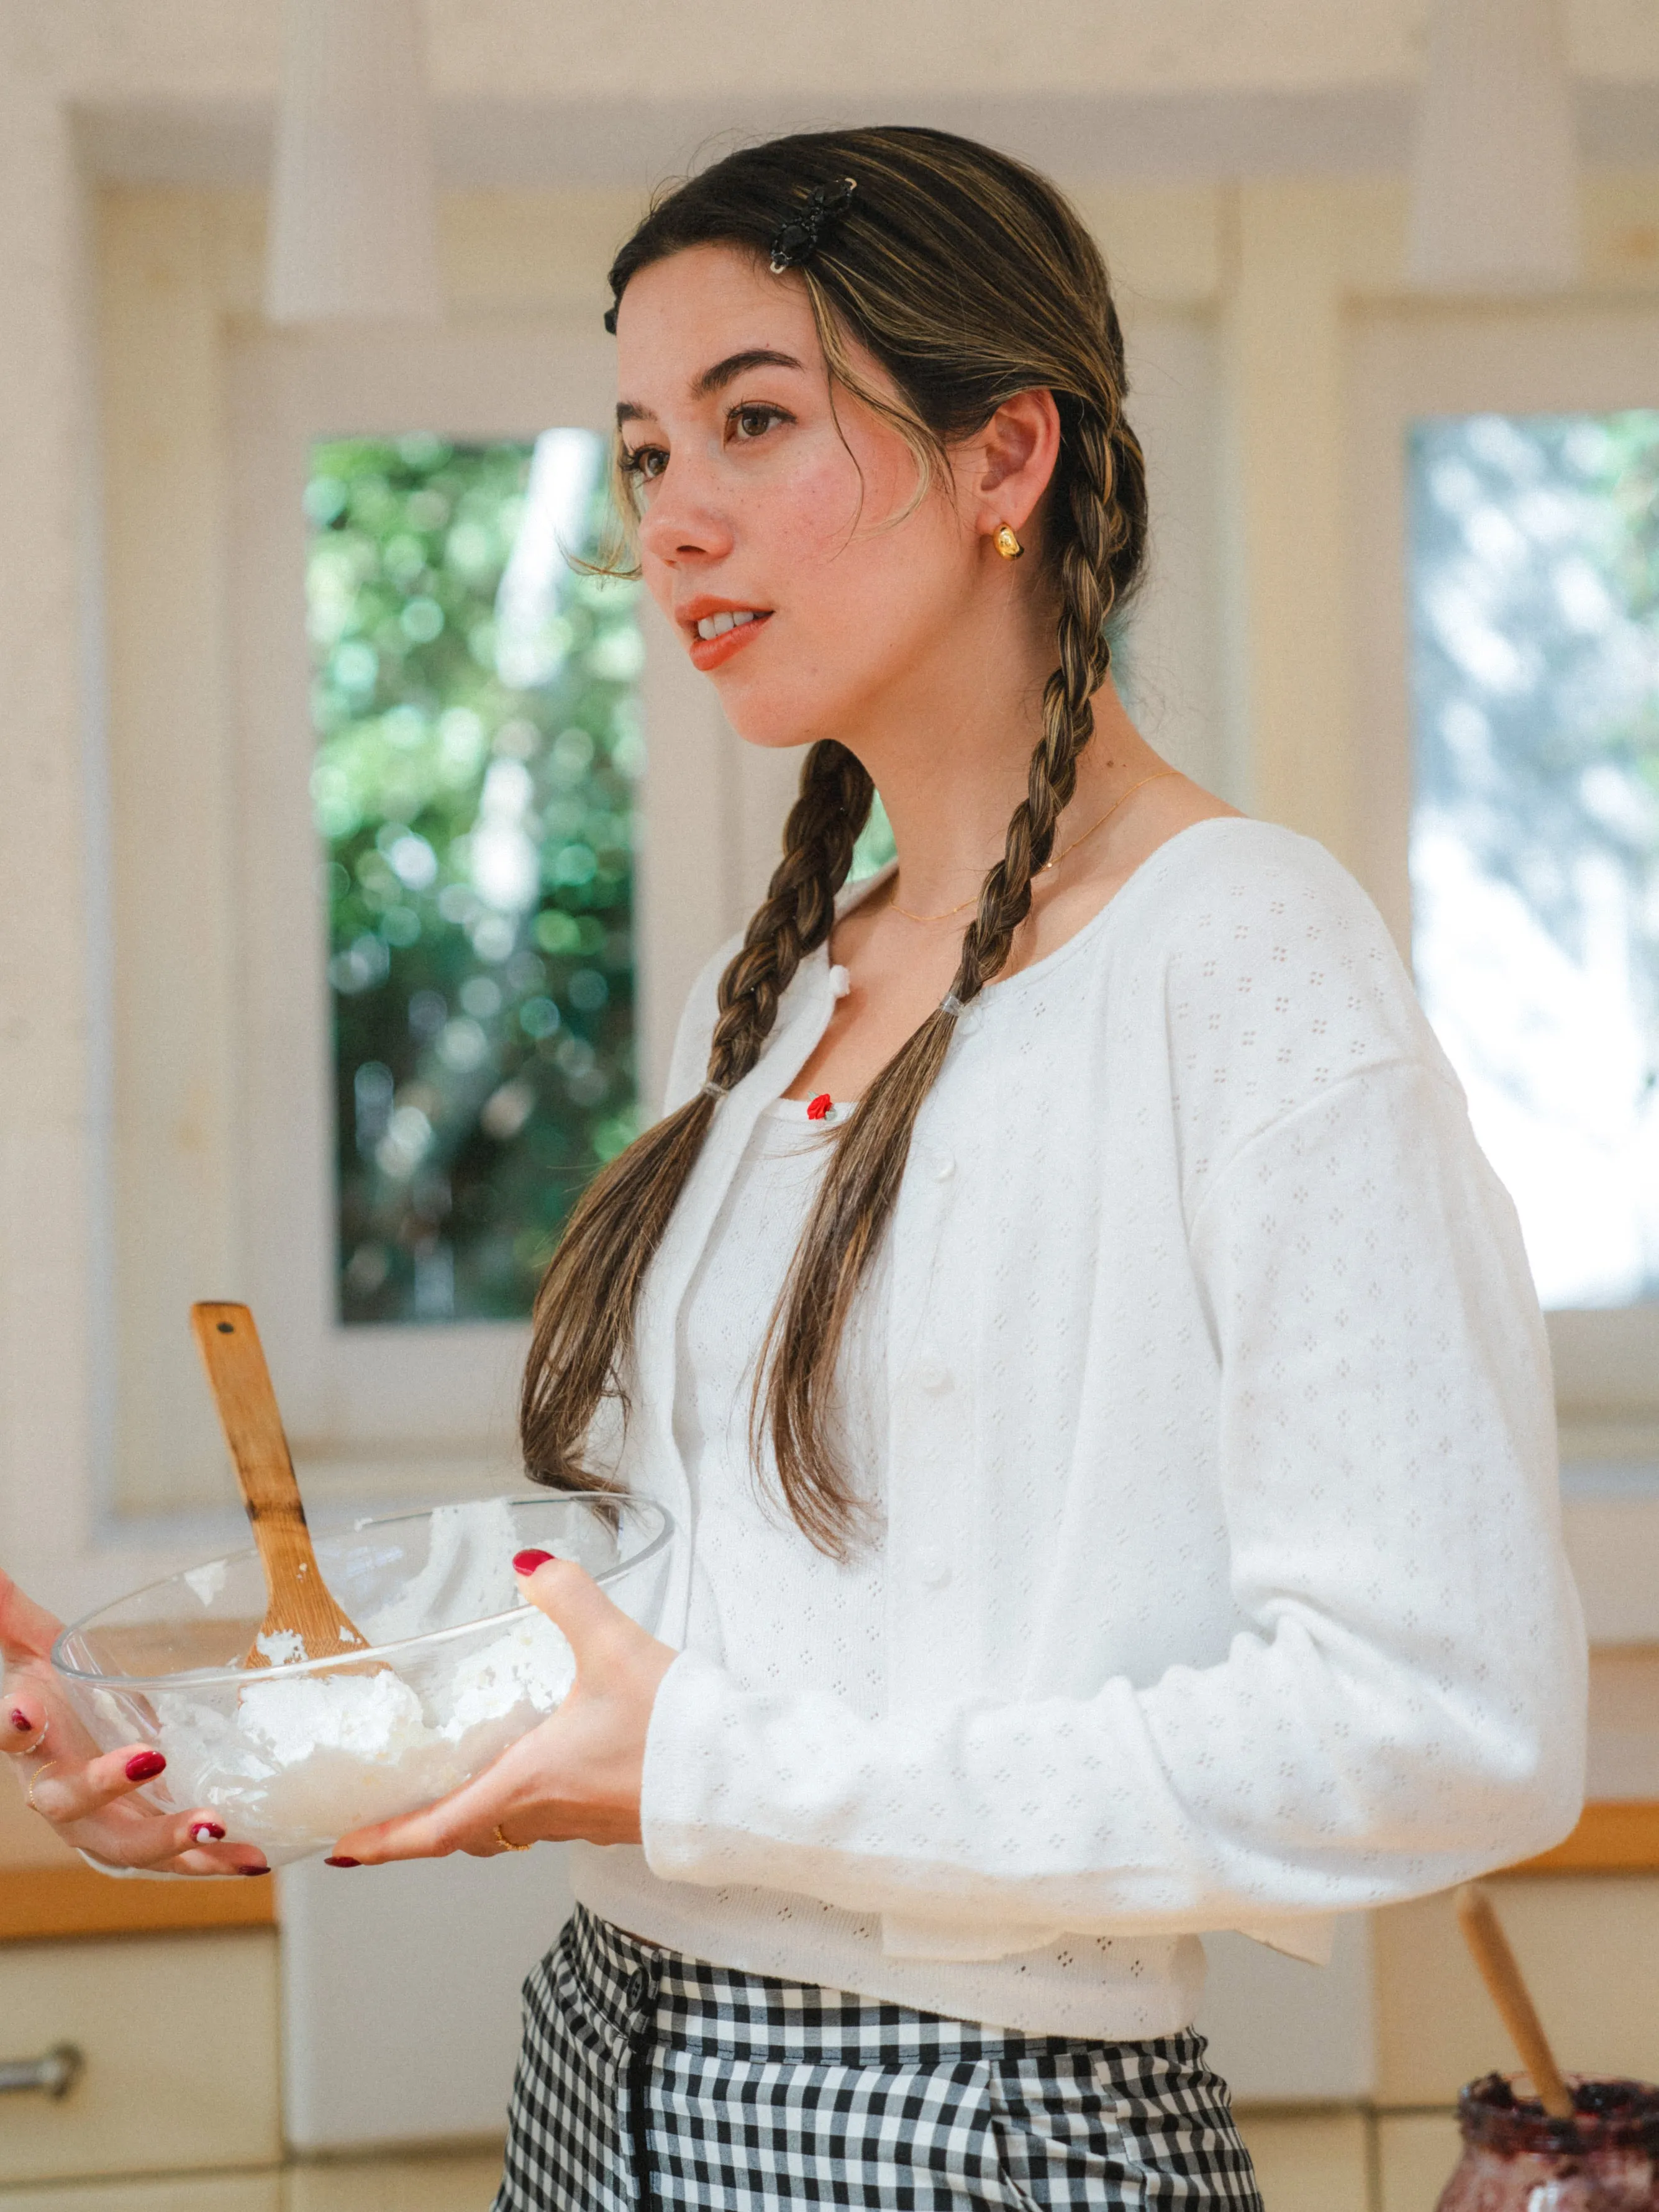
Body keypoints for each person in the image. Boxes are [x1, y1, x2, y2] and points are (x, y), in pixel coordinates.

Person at [4, 126, 1586, 2211]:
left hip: (970, 2122)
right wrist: (224, 1757)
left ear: (1004, 458)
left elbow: (1441, 1725)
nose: (671, 519)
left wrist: (708, 1770)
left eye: (754, 419)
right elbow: (702, 1602)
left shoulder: (1241, 953)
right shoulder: (769, 1000)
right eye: (649, 452)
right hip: (597, 2066)